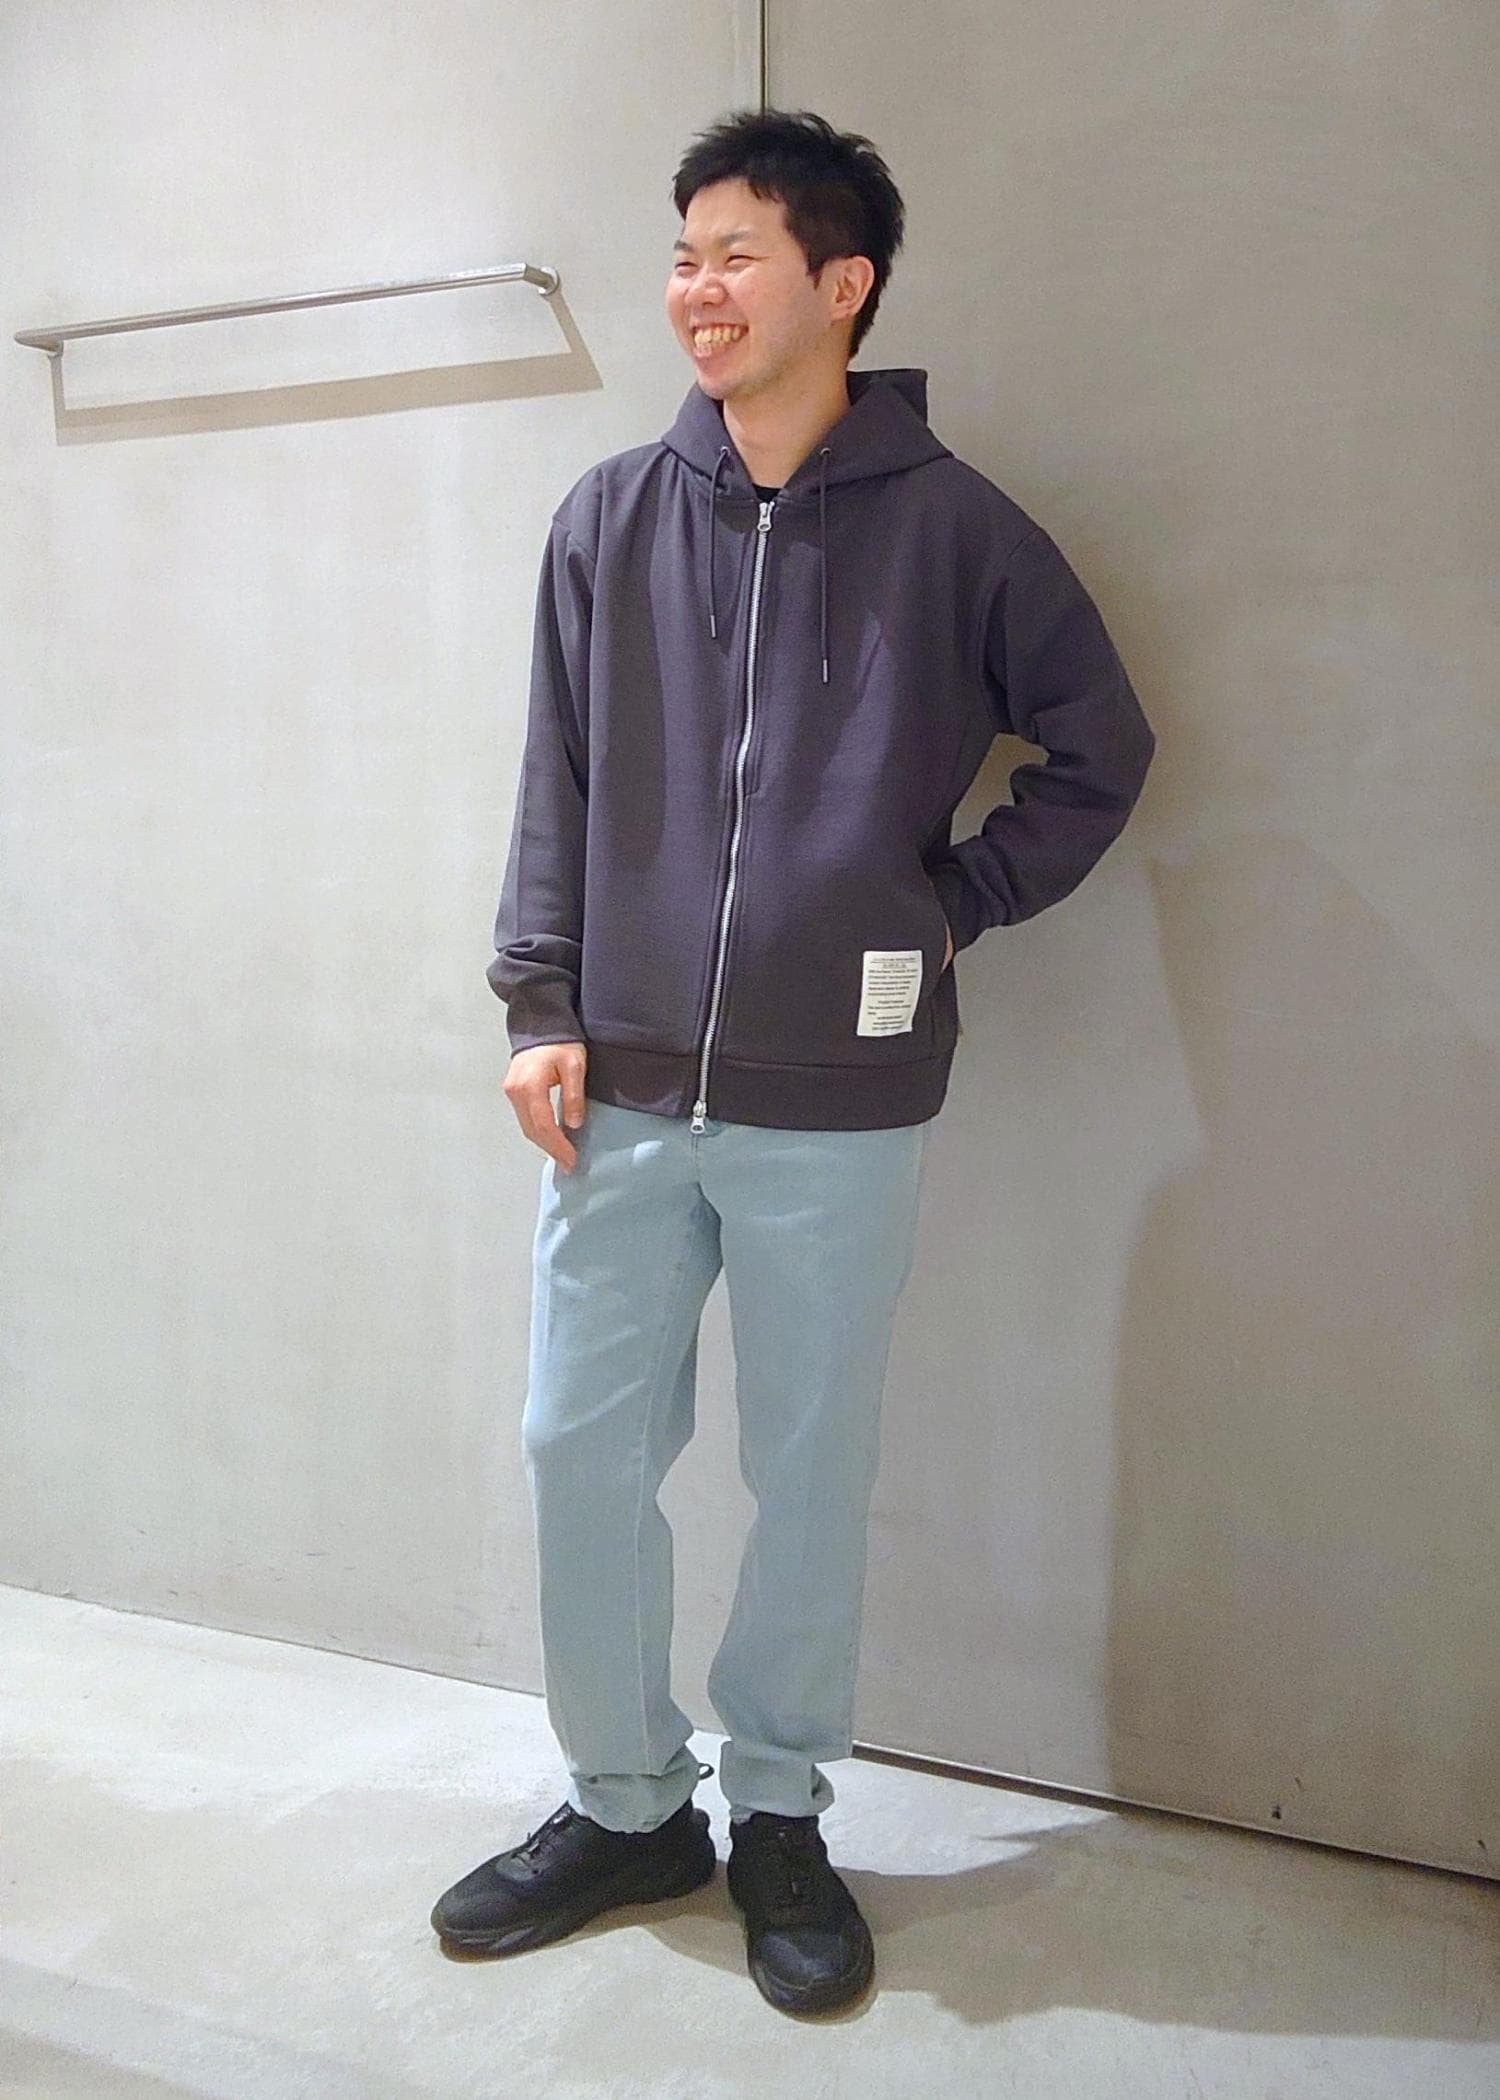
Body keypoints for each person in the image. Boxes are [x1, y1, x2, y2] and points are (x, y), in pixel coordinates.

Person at [431, 107, 1156, 2016]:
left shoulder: (959, 530)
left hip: (841, 1097)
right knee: (580, 1444)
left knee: (810, 1467)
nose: (698, 288)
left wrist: (951, 903)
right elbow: (553, 778)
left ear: (843, 284)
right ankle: (624, 1804)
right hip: (618, 1085)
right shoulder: (610, 517)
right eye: (683, 253)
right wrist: (540, 1002)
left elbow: (1101, 749)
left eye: (736, 253)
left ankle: (774, 1811)